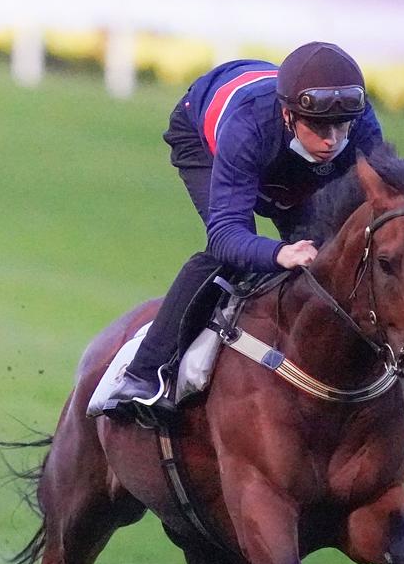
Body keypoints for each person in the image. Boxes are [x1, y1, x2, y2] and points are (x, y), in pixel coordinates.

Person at [102, 41, 385, 423]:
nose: (332, 140)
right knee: (231, 258)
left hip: (281, 153)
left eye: (341, 125)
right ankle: (143, 374)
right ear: (288, 115)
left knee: (329, 255)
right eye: (317, 126)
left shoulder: (364, 128)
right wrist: (277, 253)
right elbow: (225, 233)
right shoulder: (248, 126)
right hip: (203, 135)